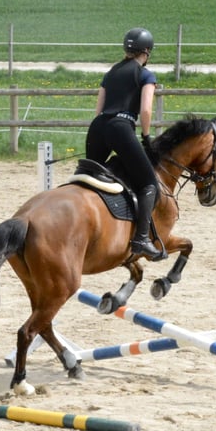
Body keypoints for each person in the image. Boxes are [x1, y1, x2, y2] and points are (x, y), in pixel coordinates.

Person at [85, 27, 164, 261]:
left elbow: (98, 110)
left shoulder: (110, 73)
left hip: (98, 126)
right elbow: (146, 110)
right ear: (147, 51)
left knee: (87, 176)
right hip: (121, 127)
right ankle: (140, 239)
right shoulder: (145, 75)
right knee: (149, 183)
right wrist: (147, 136)